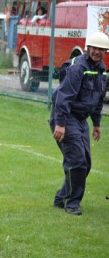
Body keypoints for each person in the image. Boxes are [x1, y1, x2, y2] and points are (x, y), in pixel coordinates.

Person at [49, 31, 108, 216]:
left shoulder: (101, 70)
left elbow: (98, 98)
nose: (97, 52)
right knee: (77, 161)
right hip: (66, 117)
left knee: (86, 164)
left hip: (81, 120)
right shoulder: (77, 67)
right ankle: (72, 203)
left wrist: (96, 123)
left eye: (102, 49)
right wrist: (60, 123)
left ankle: (61, 198)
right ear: (87, 48)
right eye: (95, 48)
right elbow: (64, 96)